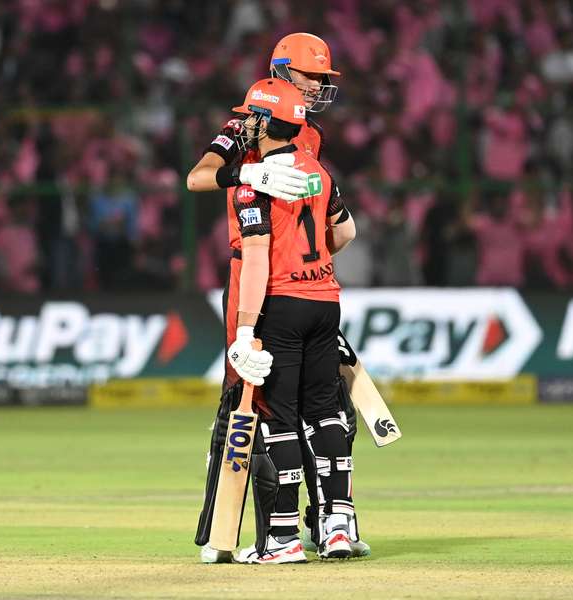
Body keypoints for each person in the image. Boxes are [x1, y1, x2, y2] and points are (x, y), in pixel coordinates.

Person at [188, 32, 370, 562]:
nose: (320, 87)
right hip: (257, 277)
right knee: (249, 404)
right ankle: (234, 532)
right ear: (284, 73)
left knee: (309, 409)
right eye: (313, 77)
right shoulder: (247, 124)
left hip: (293, 284)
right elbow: (197, 179)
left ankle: (322, 527)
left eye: (324, 79)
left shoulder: (309, 137)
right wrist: (246, 169)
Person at [226, 77, 357, 563]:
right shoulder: (319, 172)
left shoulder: (253, 181)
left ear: (264, 122)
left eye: (251, 117)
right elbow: (345, 234)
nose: (247, 124)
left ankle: (283, 538)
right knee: (326, 413)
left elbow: (256, 261)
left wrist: (244, 330)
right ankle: (338, 524)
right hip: (325, 300)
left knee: (279, 417)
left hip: (280, 304)